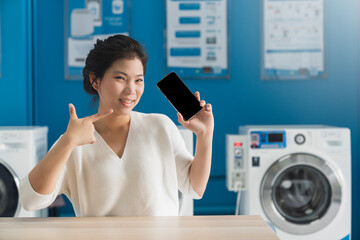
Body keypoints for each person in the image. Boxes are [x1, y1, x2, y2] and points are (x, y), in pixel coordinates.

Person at [19, 34, 214, 217]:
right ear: (95, 81)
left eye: (138, 80)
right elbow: (29, 200)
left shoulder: (160, 126)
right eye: (120, 78)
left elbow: (194, 188)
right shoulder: (76, 139)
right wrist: (67, 142)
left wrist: (205, 135)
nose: (131, 90)